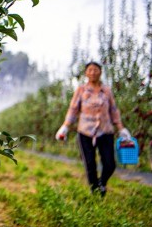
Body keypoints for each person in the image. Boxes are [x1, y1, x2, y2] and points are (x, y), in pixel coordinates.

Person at [55, 61, 131, 197]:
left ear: (100, 72)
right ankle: (96, 192)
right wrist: (65, 127)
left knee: (110, 164)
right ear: (86, 73)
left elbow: (113, 110)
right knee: (90, 163)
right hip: (85, 131)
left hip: (105, 130)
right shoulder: (81, 90)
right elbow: (73, 109)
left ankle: (102, 183)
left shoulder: (107, 90)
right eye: (90, 70)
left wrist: (121, 128)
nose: (93, 72)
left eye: (96, 69)